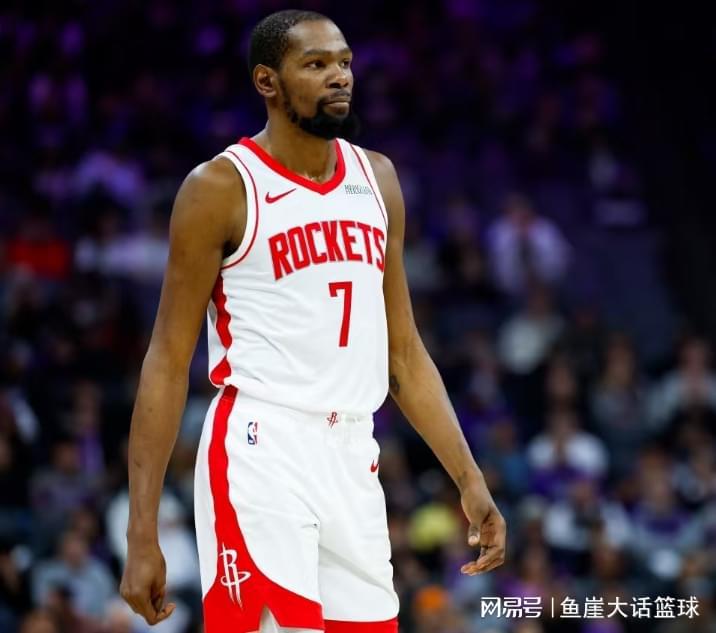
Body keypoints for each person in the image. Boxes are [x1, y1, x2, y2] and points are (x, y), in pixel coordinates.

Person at [119, 9, 506, 633]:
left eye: (345, 62)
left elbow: (404, 354)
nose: (340, 76)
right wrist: (142, 532)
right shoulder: (220, 187)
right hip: (261, 448)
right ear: (267, 82)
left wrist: (468, 477)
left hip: (352, 452)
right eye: (316, 64)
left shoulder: (377, 179)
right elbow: (165, 360)